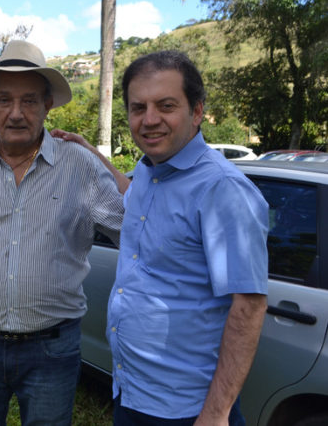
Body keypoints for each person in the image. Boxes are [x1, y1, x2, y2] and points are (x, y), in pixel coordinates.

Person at [0, 40, 125, 425]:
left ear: (48, 104)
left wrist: (103, 162)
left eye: (29, 101)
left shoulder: (79, 165)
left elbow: (135, 231)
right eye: (5, 101)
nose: (16, 113)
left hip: (53, 348)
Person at [102, 50, 268, 425]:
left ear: (196, 112)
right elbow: (132, 196)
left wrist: (215, 413)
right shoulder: (148, 172)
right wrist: (86, 152)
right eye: (137, 107)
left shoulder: (222, 188)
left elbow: (249, 305)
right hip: (131, 392)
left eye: (166, 105)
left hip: (187, 410)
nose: (149, 120)